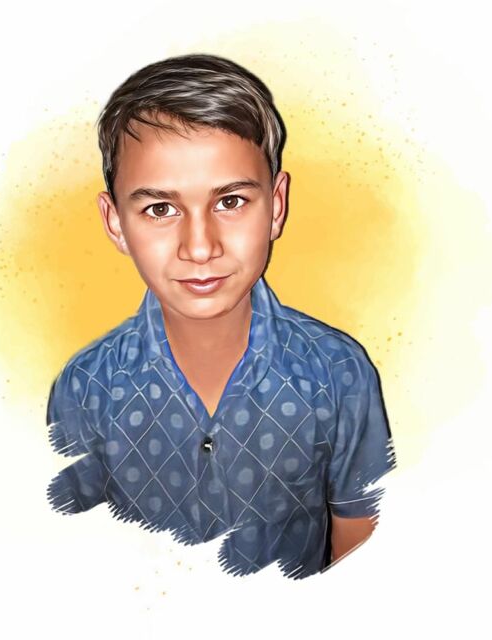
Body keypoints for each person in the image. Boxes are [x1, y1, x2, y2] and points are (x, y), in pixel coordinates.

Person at [46, 53, 396, 579]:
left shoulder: (339, 372)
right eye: (160, 209)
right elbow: (69, 549)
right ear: (115, 223)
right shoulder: (85, 387)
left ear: (276, 206)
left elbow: (362, 537)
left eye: (230, 201)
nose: (200, 246)